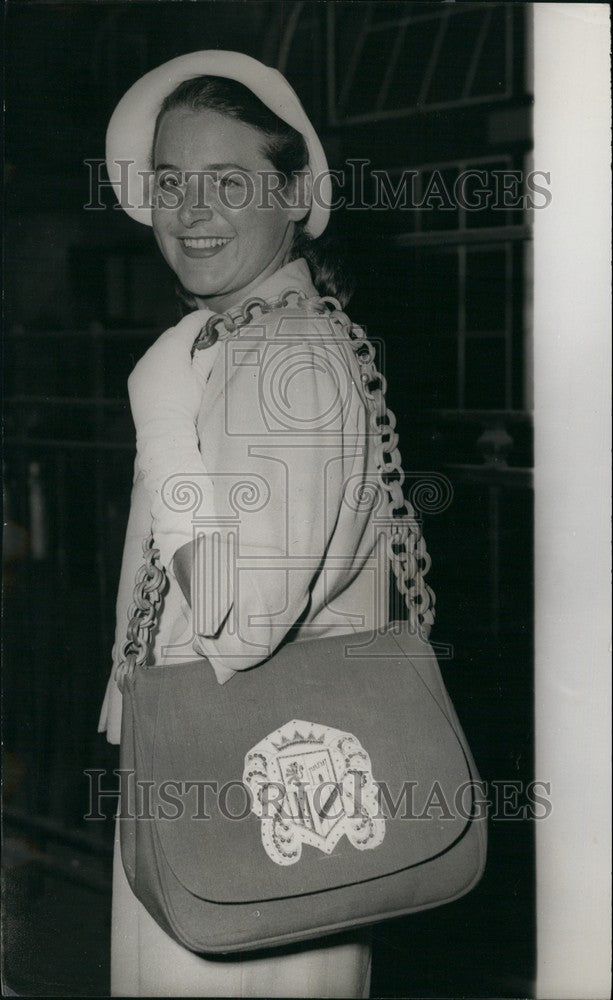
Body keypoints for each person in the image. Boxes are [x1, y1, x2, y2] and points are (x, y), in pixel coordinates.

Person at [98, 50, 389, 997]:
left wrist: (157, 416)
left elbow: (235, 614)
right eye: (172, 182)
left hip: (247, 799)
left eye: (230, 181)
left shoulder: (284, 358)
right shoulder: (236, 344)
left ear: (296, 194)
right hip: (247, 788)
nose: (190, 211)